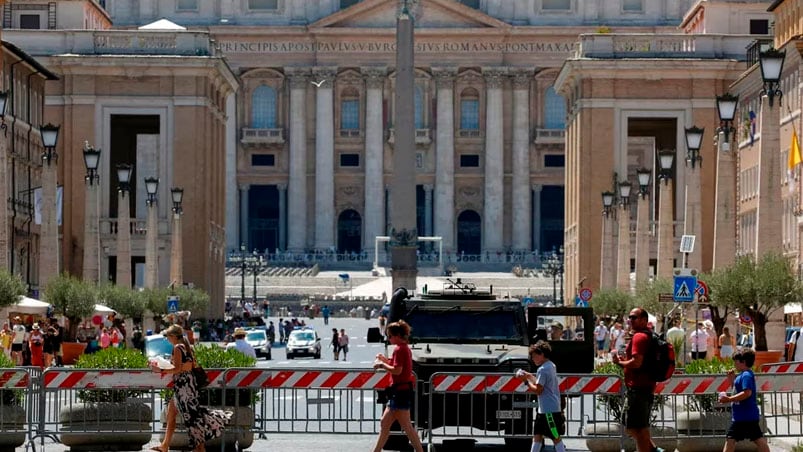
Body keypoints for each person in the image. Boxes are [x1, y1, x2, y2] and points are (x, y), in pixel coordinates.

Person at [150, 324, 231, 452]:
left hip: (183, 387)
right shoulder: (188, 347)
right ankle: (165, 445)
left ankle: (200, 446)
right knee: (172, 415)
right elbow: (188, 366)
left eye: (168, 337)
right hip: (189, 384)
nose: (167, 340)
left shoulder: (177, 348)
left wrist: (159, 369)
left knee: (191, 417)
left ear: (173, 336)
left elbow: (176, 369)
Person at [612, 307, 664, 452]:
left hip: (639, 388)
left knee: (638, 429)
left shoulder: (639, 337)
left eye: (634, 317)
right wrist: (625, 362)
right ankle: (654, 450)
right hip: (642, 387)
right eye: (630, 317)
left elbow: (637, 362)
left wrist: (620, 363)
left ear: (644, 320)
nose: (631, 320)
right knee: (634, 426)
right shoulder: (646, 335)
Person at [371, 320, 424, 452]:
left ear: (396, 336)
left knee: (405, 427)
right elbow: (397, 365)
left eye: (389, 336)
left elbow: (397, 370)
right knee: (387, 424)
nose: (389, 339)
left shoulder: (399, 349)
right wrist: (384, 360)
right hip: (400, 391)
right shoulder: (404, 348)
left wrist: (382, 365)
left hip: (400, 392)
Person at [515, 341, 567, 452]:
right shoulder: (551, 365)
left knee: (555, 436)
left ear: (541, 354)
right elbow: (541, 383)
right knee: (538, 435)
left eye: (534, 356)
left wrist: (525, 382)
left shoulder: (542, 369)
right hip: (546, 409)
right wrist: (529, 376)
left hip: (548, 410)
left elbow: (538, 390)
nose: (533, 359)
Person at [718, 350, 770, 452]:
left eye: (736, 362)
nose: (734, 364)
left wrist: (728, 399)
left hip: (744, 416)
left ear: (743, 362)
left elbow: (747, 393)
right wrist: (732, 380)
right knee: (756, 439)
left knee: (731, 439)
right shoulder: (743, 375)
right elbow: (737, 391)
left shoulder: (746, 375)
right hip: (744, 415)